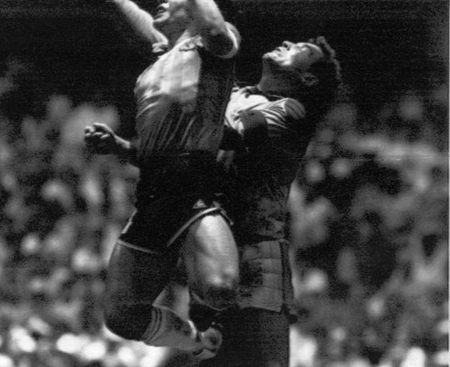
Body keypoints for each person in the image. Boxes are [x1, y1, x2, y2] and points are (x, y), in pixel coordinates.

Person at [87, 36, 342, 366]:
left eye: (302, 51)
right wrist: (123, 148)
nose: (288, 42)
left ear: (307, 78)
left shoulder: (292, 112)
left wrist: (173, 103)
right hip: (211, 252)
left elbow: (215, 135)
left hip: (257, 259)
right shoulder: (234, 95)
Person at [56, 0, 241, 359]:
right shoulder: (163, 56)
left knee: (220, 289)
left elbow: (214, 30)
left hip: (195, 192)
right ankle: (197, 341)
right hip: (153, 195)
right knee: (120, 316)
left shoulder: (215, 45)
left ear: (195, 4)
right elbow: (124, 11)